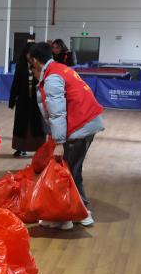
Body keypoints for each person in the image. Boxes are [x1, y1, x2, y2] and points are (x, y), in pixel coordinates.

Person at [29, 42, 104, 230]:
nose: (30, 67)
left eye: (30, 63)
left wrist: (59, 142)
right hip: (87, 123)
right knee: (71, 170)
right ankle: (70, 215)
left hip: (80, 126)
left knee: (67, 173)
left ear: (36, 60)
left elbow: (57, 112)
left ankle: (78, 214)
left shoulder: (52, 77)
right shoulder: (60, 69)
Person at [9, 42, 46, 157]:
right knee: (21, 125)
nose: (30, 56)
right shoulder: (20, 66)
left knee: (37, 125)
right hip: (23, 101)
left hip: (37, 101)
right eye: (28, 53)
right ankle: (20, 148)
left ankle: (40, 149)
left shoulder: (41, 66)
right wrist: (12, 100)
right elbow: (15, 83)